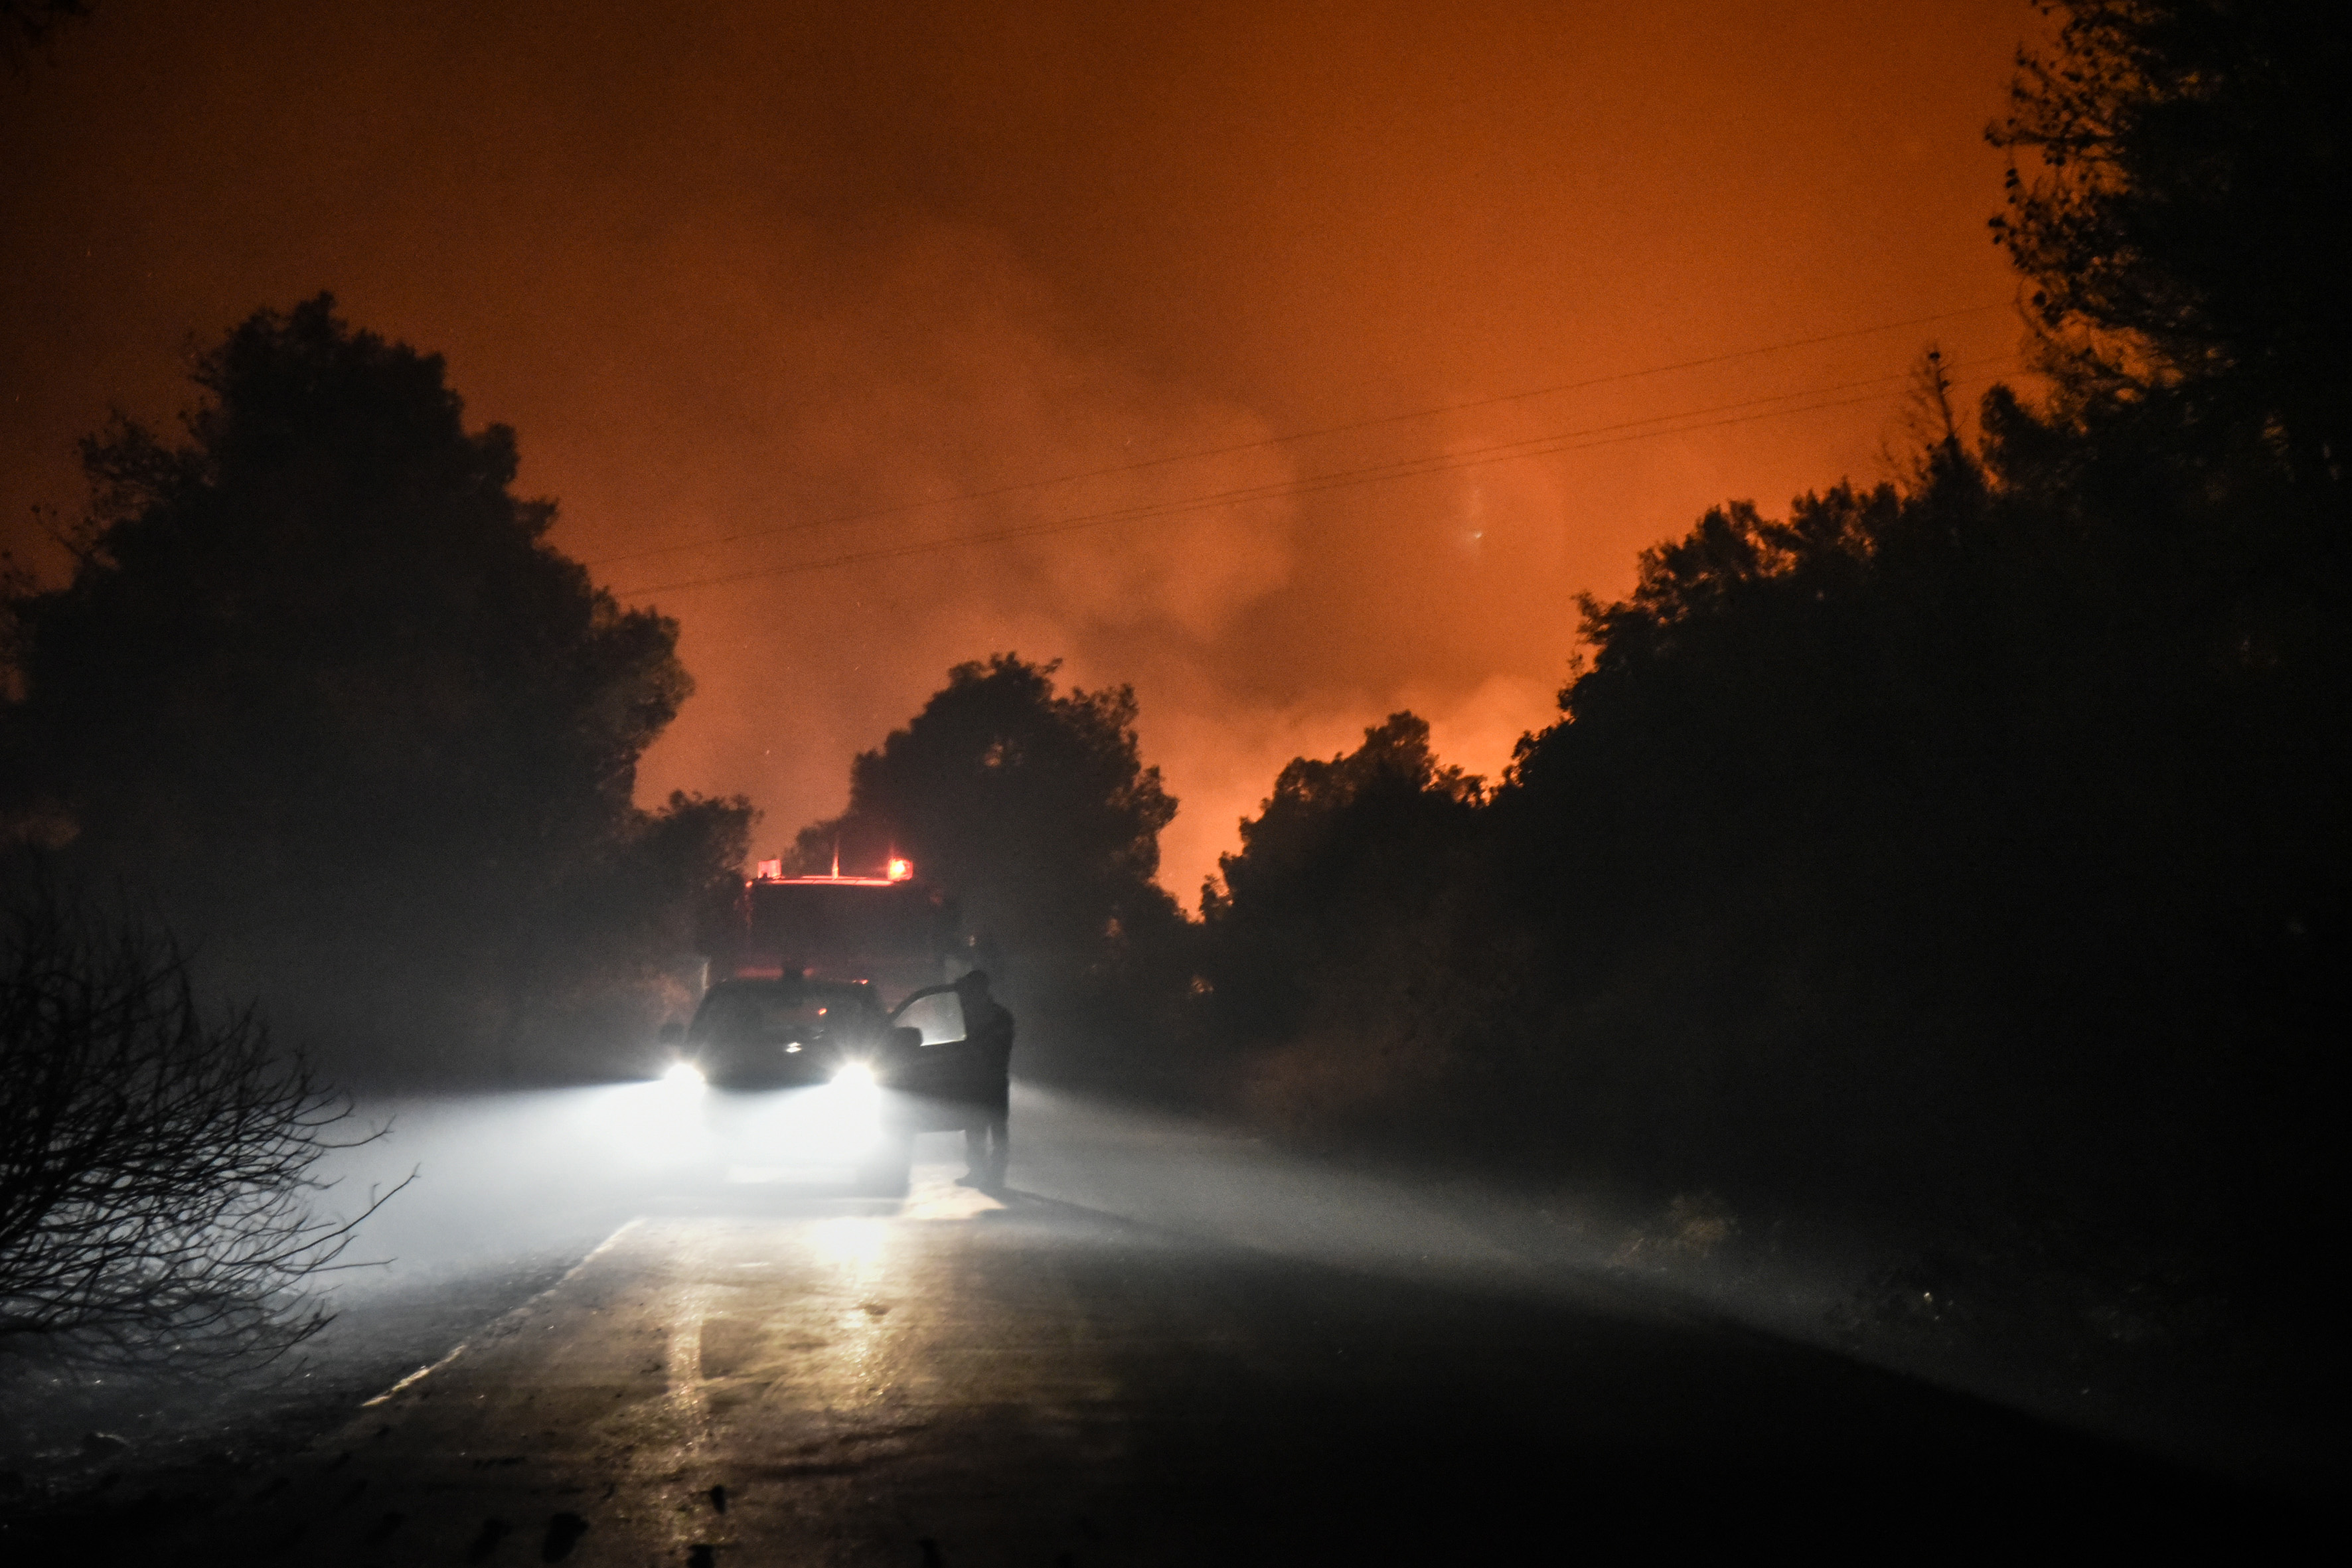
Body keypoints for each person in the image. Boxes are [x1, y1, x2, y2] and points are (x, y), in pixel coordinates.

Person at [953, 970, 1015, 1190]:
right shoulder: (999, 1015)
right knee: (980, 1129)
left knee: (991, 1131)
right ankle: (984, 1174)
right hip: (989, 1082)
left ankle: (993, 1177)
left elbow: (987, 1050)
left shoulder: (988, 1017)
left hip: (989, 1082)